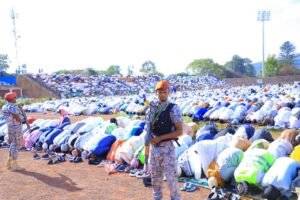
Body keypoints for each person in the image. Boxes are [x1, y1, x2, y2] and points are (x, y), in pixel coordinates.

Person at [144, 80, 183, 200]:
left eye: (164, 92)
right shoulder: (151, 109)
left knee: (172, 181)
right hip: (154, 149)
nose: (162, 94)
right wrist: (148, 137)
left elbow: (179, 131)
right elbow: (148, 126)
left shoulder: (173, 109)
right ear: (156, 92)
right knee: (155, 181)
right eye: (160, 92)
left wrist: (160, 138)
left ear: (168, 92)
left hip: (167, 149)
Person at [2, 92, 27, 171]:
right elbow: (16, 116)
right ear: (11, 99)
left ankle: (9, 161)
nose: (16, 99)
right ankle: (14, 164)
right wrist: (22, 120)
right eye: (15, 97)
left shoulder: (4, 107)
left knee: (12, 143)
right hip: (16, 127)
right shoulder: (12, 107)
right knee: (17, 145)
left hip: (10, 127)